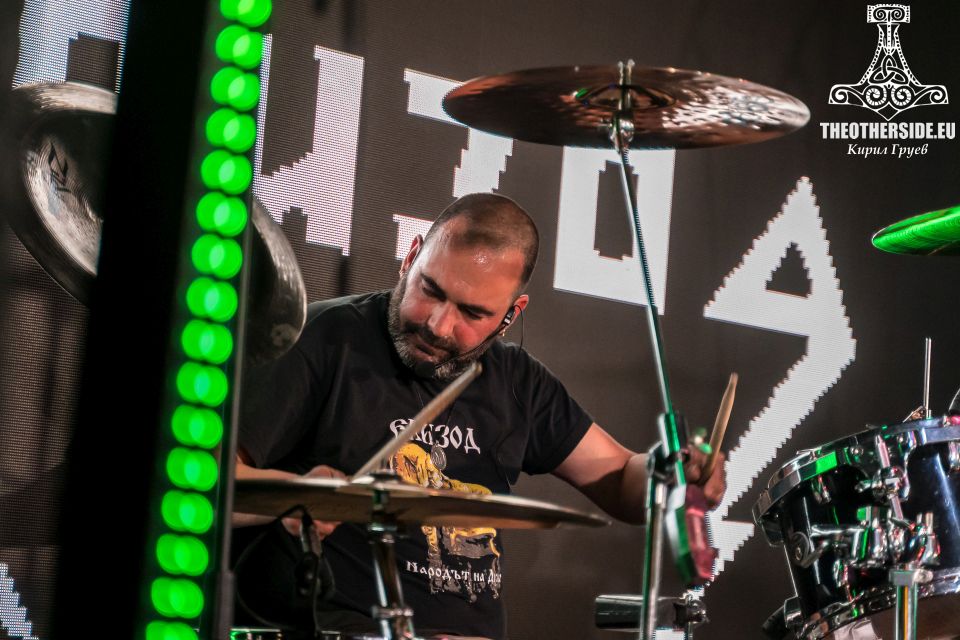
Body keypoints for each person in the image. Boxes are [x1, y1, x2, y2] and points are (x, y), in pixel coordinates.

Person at [232, 193, 726, 639]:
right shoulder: (322, 339)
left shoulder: (517, 381)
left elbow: (620, 480)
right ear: (411, 256)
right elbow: (208, 482)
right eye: (431, 289)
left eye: (471, 313)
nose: (438, 324)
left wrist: (673, 474)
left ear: (511, 314)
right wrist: (302, 497)